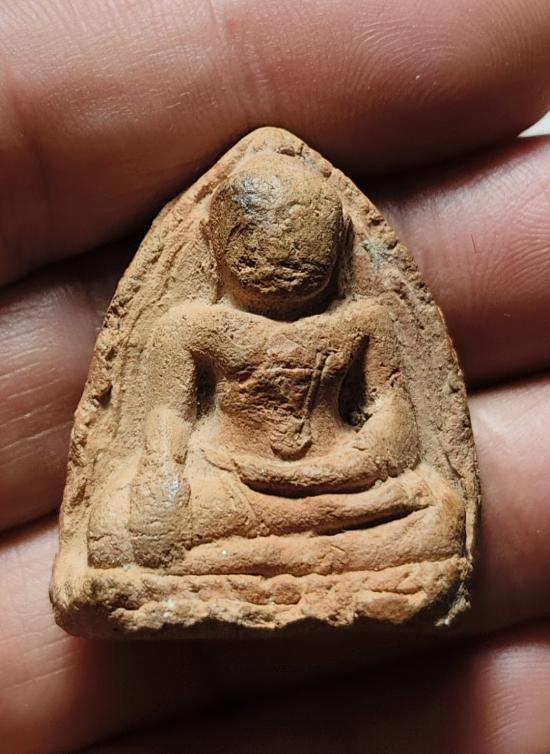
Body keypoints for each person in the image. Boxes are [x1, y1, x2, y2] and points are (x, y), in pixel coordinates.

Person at [1, 1, 550, 751]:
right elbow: (165, 419)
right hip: (228, 479)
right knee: (123, 529)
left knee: (438, 512)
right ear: (221, 243)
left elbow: (393, 414)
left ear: (337, 243)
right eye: (261, 247)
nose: (284, 263)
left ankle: (241, 570)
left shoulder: (364, 321)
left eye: (303, 247)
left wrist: (361, 459)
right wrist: (163, 471)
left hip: (340, 480)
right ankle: (275, 564)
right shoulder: (191, 326)